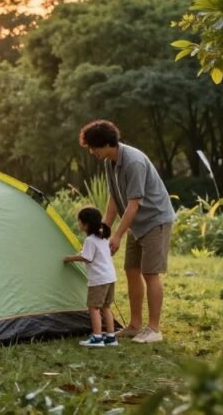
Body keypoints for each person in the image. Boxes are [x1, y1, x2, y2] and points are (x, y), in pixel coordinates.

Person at [79, 119, 176, 344]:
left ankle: (154, 329)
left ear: (105, 144)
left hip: (155, 219)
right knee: (131, 269)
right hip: (136, 223)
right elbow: (114, 197)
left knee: (150, 273)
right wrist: (103, 230)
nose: (92, 152)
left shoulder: (133, 163)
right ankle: (134, 325)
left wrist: (118, 235)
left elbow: (134, 203)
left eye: (93, 147)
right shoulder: (109, 162)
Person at [64, 206, 118, 348]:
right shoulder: (103, 238)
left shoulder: (90, 240)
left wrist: (70, 258)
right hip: (110, 277)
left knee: (93, 307)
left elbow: (87, 258)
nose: (78, 224)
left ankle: (97, 337)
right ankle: (111, 337)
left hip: (99, 279)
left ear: (86, 224)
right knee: (106, 307)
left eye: (79, 221)